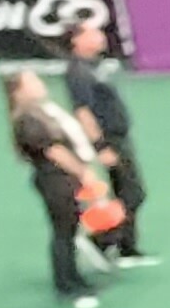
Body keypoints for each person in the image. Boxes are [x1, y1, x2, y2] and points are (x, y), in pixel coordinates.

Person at [9, 68, 109, 301]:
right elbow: (54, 150)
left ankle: (73, 277)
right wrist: (82, 171)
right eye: (32, 82)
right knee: (63, 231)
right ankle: (66, 283)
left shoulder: (38, 113)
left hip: (59, 179)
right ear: (19, 91)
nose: (39, 84)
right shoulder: (28, 119)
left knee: (69, 229)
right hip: (53, 180)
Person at [61, 15, 145, 267]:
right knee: (131, 192)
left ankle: (125, 246)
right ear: (77, 40)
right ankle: (103, 241)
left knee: (125, 192)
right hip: (109, 139)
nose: (100, 37)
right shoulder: (78, 72)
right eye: (92, 33)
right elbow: (83, 112)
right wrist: (101, 146)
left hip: (119, 135)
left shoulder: (94, 66)